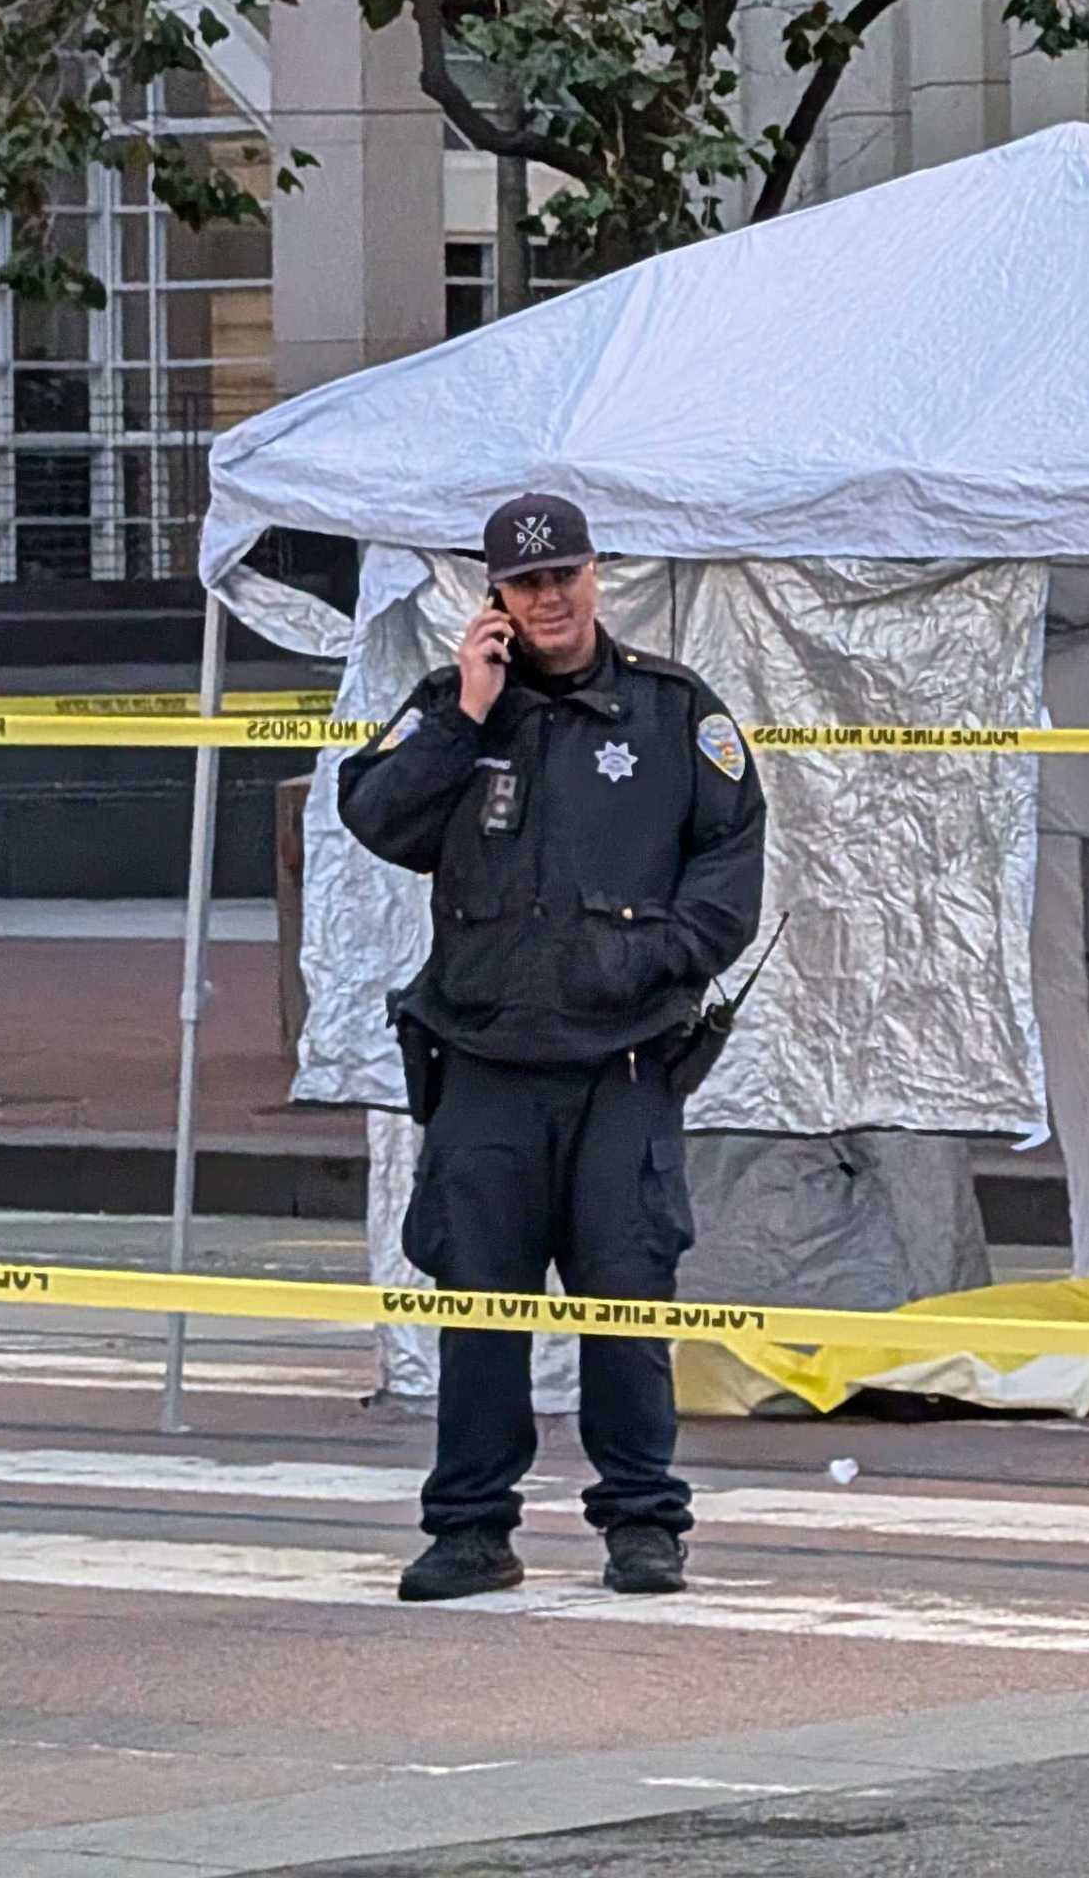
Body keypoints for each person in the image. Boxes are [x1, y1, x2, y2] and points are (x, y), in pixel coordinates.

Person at [337, 494, 765, 1602]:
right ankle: (471, 1527)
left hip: (620, 1062)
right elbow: (377, 819)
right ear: (496, 600)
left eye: (566, 575)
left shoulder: (672, 712)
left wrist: (646, 964)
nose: (551, 598)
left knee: (627, 1298)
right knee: (481, 1302)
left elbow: (729, 866)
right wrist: (467, 715)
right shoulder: (454, 712)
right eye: (527, 585)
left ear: (595, 576)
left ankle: (642, 1523)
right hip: (484, 1063)